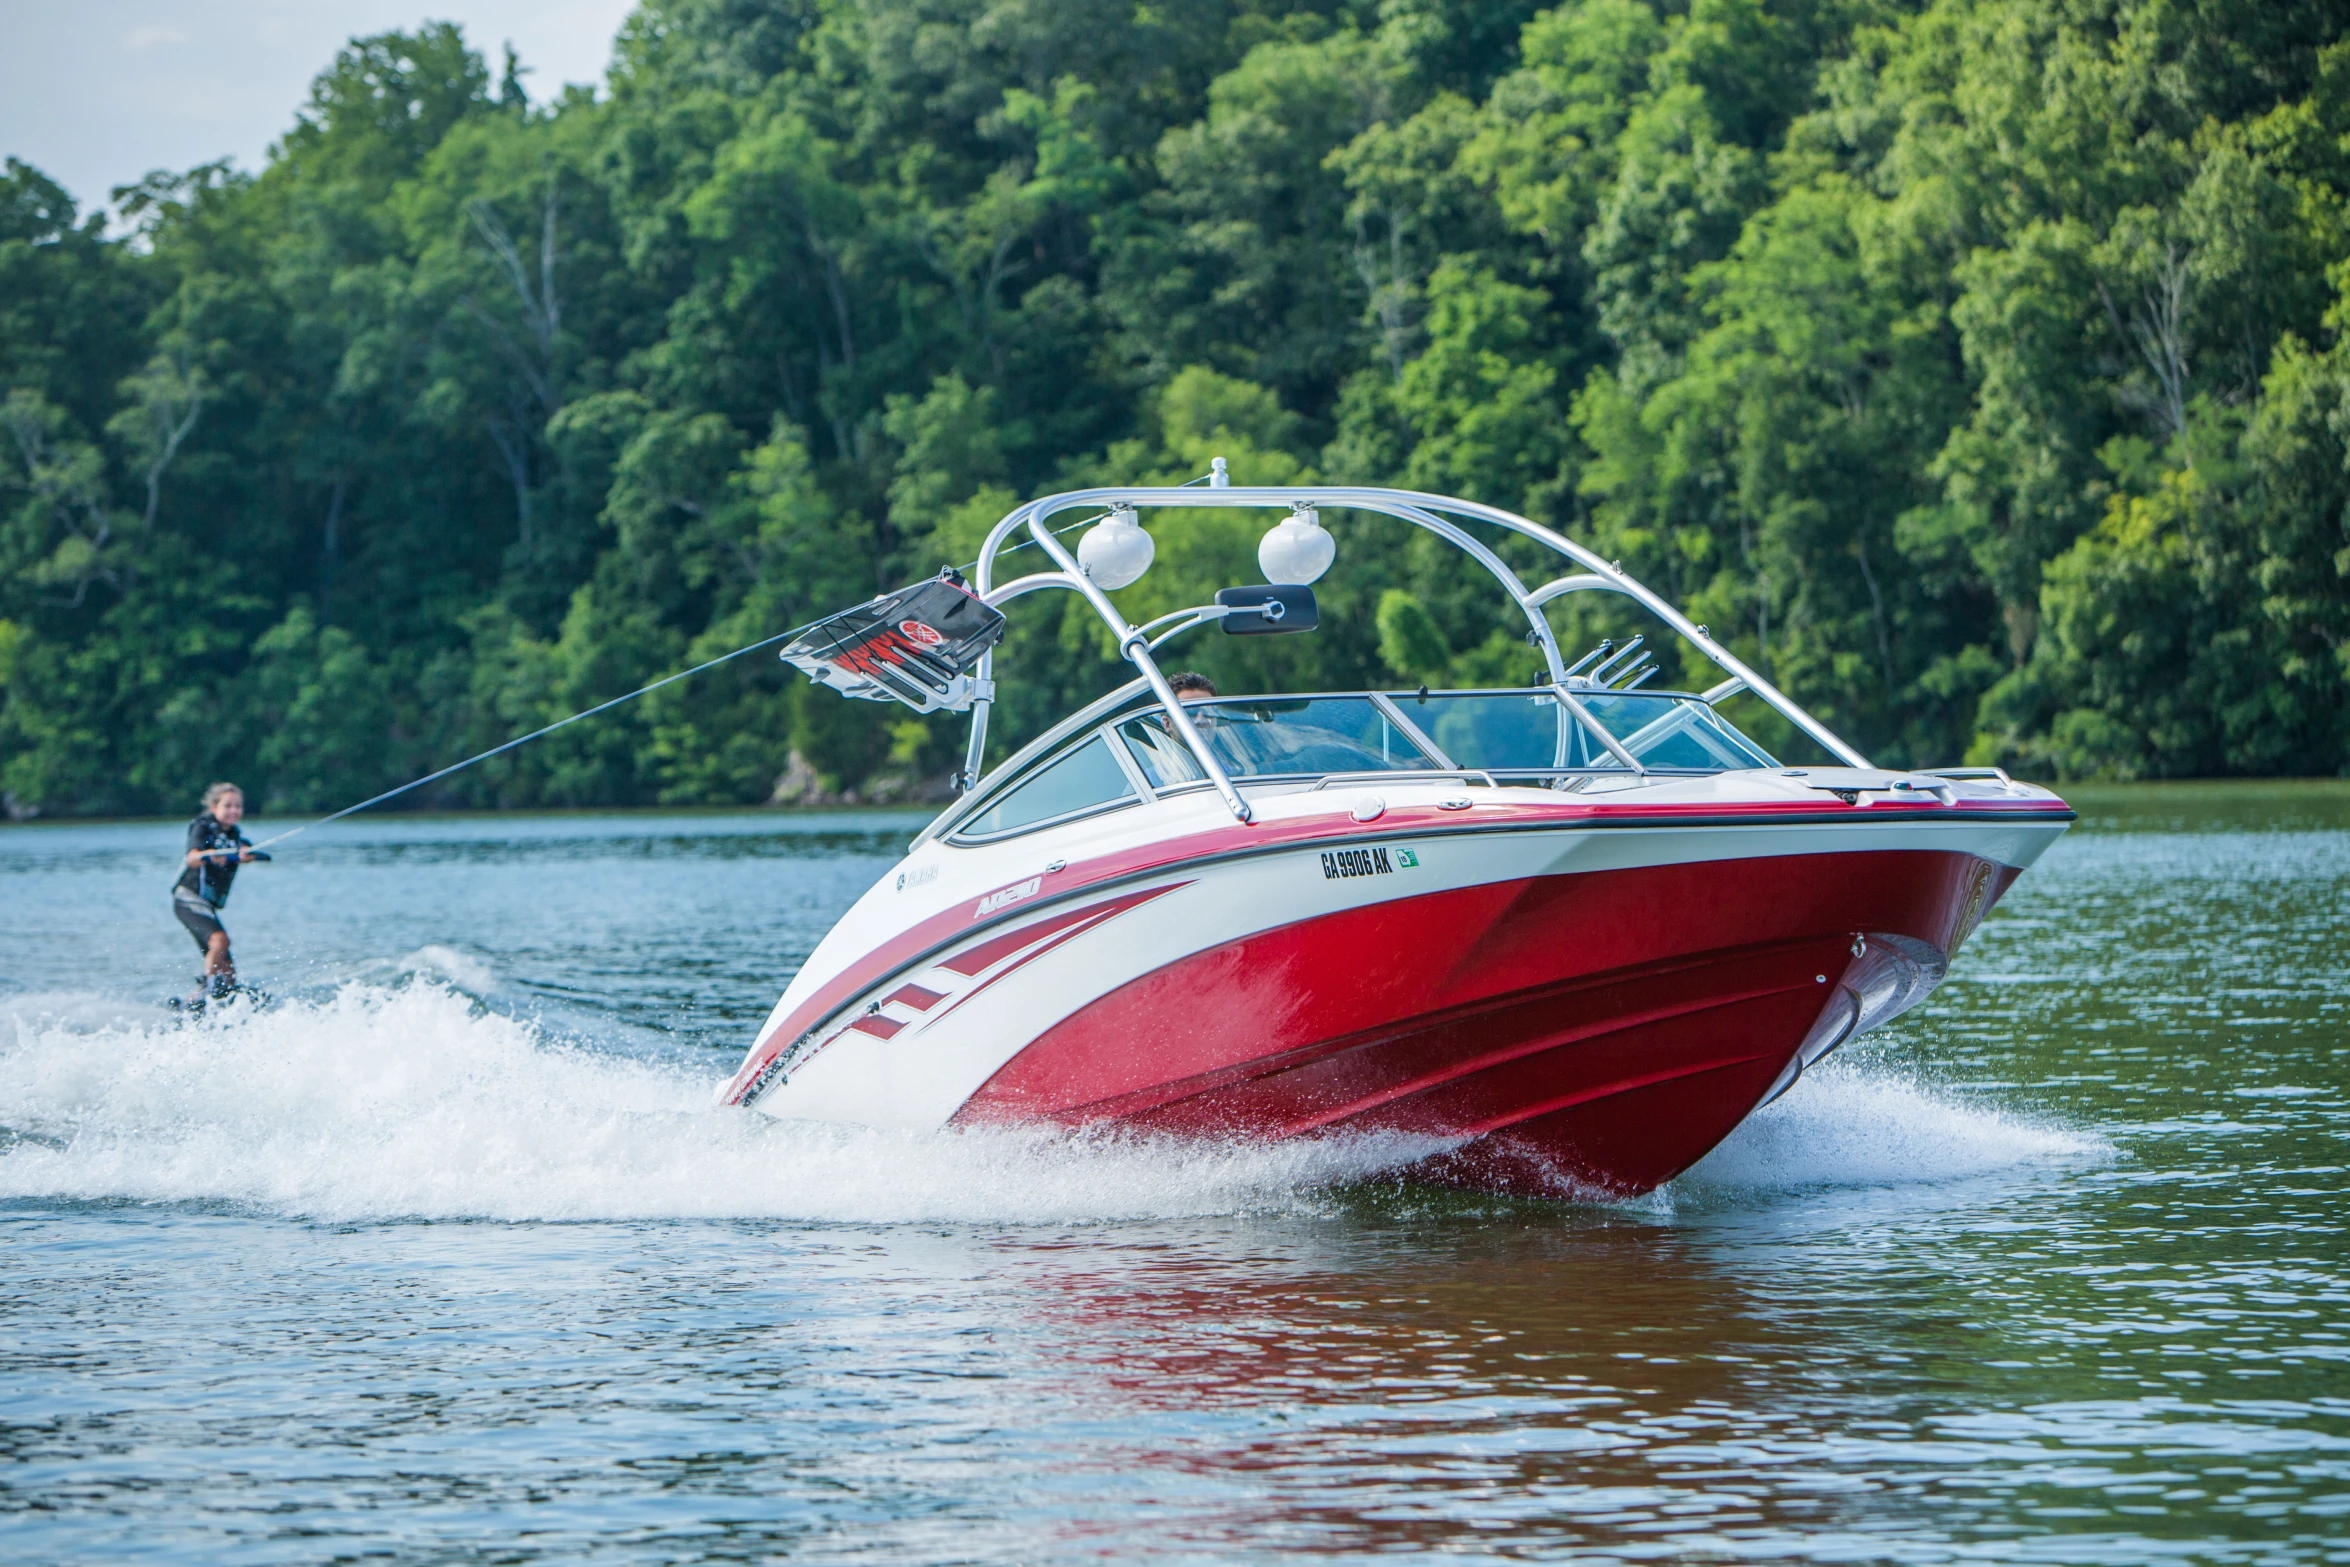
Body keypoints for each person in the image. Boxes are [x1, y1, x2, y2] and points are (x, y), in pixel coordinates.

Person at [173, 782, 266, 1002]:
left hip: (206, 905)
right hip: (188, 900)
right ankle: (206, 988)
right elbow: (192, 858)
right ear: (214, 807)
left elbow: (245, 849)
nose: (234, 811)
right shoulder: (202, 827)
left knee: (228, 971)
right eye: (228, 806)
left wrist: (245, 854)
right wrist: (209, 854)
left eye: (238, 806)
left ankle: (196, 1000)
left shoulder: (234, 834)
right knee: (219, 941)